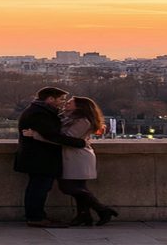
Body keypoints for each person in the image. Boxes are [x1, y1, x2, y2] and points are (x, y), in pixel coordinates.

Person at [14, 87, 89, 228]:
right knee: (39, 188)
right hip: (40, 157)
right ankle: (36, 217)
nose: (62, 102)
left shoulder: (39, 111)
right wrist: (79, 142)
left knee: (37, 187)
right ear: (50, 99)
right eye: (61, 99)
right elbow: (53, 136)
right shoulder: (40, 114)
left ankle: (36, 216)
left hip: (37, 156)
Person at [54, 96, 117, 226]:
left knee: (68, 187)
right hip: (74, 156)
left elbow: (68, 138)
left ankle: (102, 209)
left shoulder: (82, 121)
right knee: (79, 189)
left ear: (79, 106)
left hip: (76, 157)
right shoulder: (73, 118)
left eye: (70, 102)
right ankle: (84, 215)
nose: (66, 103)